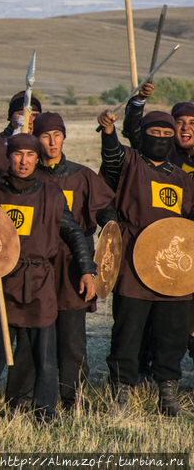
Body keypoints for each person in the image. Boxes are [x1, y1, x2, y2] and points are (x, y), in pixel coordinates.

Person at [0, 134, 96, 422]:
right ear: (8, 157)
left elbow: (74, 232)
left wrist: (87, 269)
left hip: (38, 283)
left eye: (29, 154)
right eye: (17, 154)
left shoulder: (51, 193)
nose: (23, 160)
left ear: (37, 159)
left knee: (44, 356)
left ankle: (44, 410)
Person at [98, 109, 194, 416]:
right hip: (133, 258)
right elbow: (111, 155)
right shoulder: (130, 163)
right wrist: (110, 131)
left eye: (168, 135)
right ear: (144, 135)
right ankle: (121, 393)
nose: (162, 140)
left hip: (171, 263)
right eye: (156, 133)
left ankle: (167, 393)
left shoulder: (181, 177)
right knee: (129, 329)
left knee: (173, 330)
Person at [24, 112, 115, 409]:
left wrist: (108, 238)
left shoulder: (81, 175)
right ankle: (36, 397)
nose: (52, 141)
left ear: (64, 137)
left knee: (73, 338)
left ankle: (72, 398)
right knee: (38, 335)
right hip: (39, 265)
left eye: (57, 135)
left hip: (74, 263)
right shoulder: (30, 177)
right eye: (45, 136)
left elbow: (106, 212)